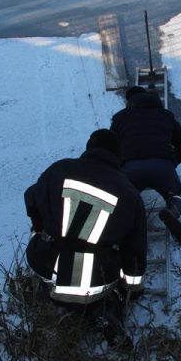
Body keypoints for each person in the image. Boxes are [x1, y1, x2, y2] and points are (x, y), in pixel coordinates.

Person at [24, 129, 147, 341]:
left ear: (89, 148)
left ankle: (51, 295)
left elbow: (30, 196)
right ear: (119, 156)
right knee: (107, 289)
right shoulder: (129, 192)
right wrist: (132, 290)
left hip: (46, 265)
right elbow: (134, 250)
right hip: (97, 278)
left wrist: (40, 225)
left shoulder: (58, 169)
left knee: (45, 256)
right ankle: (104, 311)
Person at [110, 86, 181, 245]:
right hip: (162, 167)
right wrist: (172, 162)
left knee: (125, 199)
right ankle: (172, 212)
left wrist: (119, 168)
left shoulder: (120, 118)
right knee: (174, 195)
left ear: (129, 102)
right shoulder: (165, 115)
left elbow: (110, 147)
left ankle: (127, 225)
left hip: (131, 168)